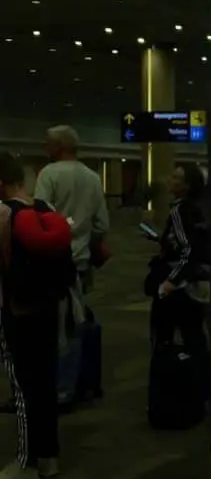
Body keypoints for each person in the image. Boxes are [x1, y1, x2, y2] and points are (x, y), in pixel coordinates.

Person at [0, 152, 73, 479]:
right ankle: (48, 457)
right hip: (48, 308)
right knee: (44, 384)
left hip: (15, 311)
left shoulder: (4, 215)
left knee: (22, 387)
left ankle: (26, 464)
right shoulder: (45, 210)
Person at [34, 125, 109, 407]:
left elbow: (42, 215)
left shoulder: (49, 174)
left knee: (54, 329)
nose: (44, 147)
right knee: (76, 323)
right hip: (80, 264)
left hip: (52, 264)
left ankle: (60, 389)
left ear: (59, 146)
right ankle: (77, 384)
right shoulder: (91, 177)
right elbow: (102, 224)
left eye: (48, 143)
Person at [147, 163, 211, 396]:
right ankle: (202, 387)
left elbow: (188, 250)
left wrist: (170, 282)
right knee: (195, 336)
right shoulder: (198, 208)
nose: (170, 181)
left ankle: (174, 391)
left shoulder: (179, 211)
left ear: (187, 186)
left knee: (166, 337)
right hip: (197, 283)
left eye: (176, 178)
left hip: (181, 286)